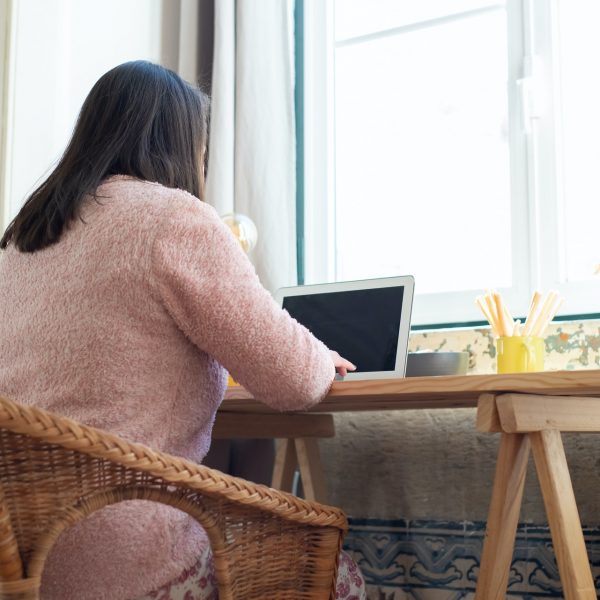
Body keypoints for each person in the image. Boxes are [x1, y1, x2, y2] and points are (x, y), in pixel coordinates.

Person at [0, 61, 365, 599]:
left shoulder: (21, 242)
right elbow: (292, 381)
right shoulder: (173, 218)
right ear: (182, 145)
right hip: (123, 555)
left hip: (20, 551)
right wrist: (319, 358)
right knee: (335, 572)